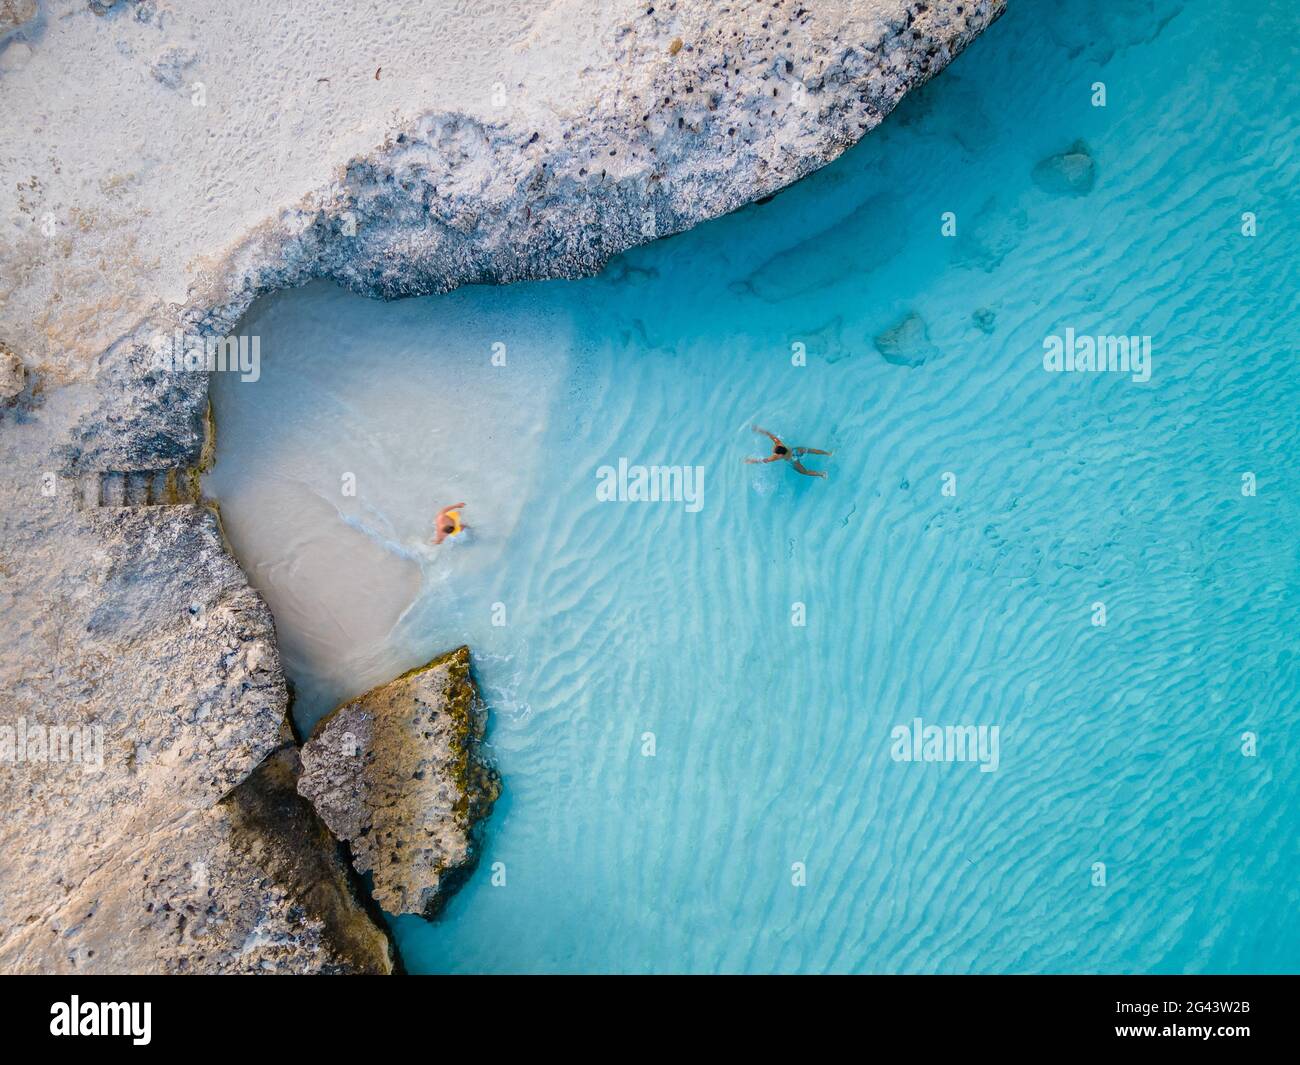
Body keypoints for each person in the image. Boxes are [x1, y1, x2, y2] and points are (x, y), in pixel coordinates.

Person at [745, 425, 832, 478]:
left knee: (805, 472)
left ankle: (822, 474)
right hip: (796, 450)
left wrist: (751, 461)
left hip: (793, 459)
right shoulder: (779, 443)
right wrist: (758, 429)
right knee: (812, 450)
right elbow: (769, 434)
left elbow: (764, 461)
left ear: (778, 453)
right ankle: (828, 454)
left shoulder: (776, 457)